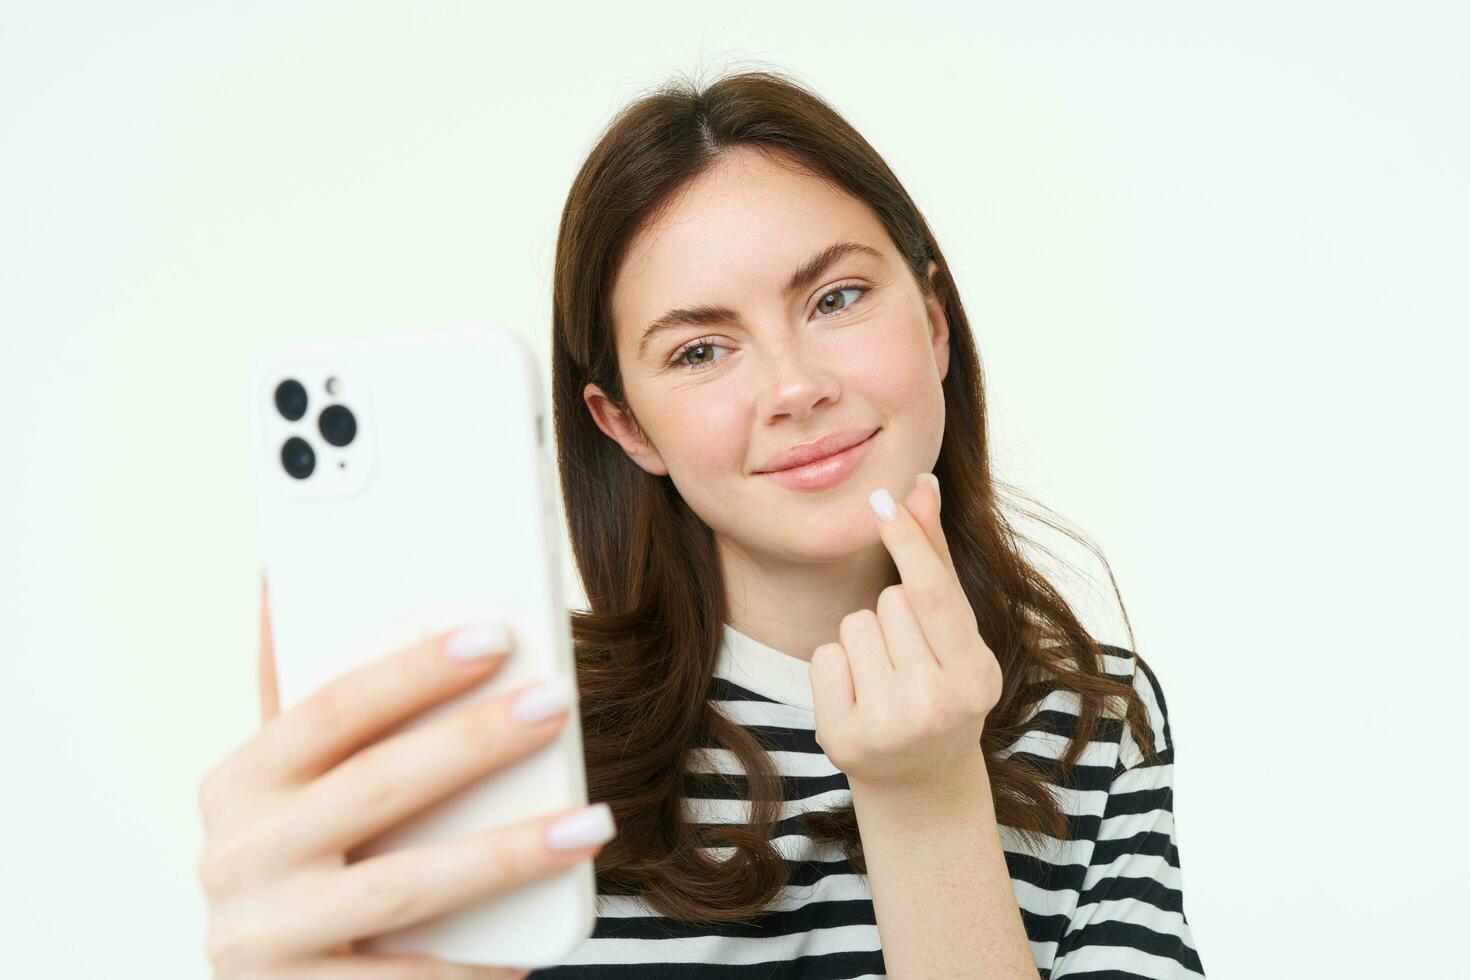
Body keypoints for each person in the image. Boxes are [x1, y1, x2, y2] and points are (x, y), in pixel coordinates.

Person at [198, 68, 1204, 979]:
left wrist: (926, 797)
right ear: (625, 424)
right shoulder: (516, 746)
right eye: (699, 351)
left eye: (837, 297)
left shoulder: (1094, 715)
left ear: (935, 321)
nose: (794, 387)